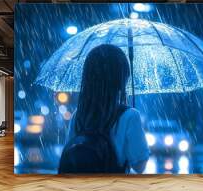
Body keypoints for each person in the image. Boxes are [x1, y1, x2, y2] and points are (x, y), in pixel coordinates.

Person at [64, 44, 149, 174]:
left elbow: (70, 152)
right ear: (122, 78)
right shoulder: (130, 116)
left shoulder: (79, 115)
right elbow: (139, 166)